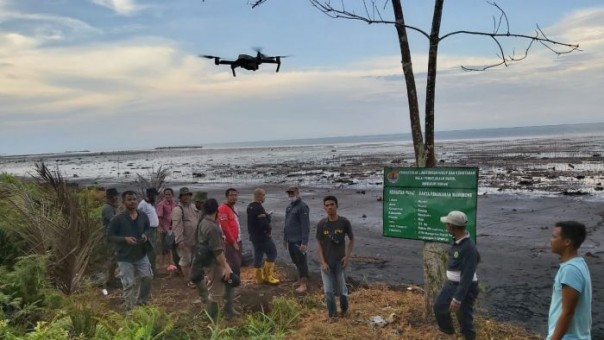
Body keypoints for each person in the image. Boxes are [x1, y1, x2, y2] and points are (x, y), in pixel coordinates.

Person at [434, 210, 480, 340]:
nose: (446, 226)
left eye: (447, 224)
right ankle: (449, 334)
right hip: (451, 285)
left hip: (466, 287)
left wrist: (458, 298)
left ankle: (469, 337)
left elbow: (467, 276)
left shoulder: (469, 248)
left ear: (452, 227)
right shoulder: (457, 241)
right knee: (439, 307)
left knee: (464, 318)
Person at [107, 190, 153, 312]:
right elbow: (109, 236)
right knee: (128, 284)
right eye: (129, 199)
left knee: (148, 278)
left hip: (141, 254)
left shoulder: (143, 215)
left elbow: (148, 229)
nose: (132, 202)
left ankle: (142, 303)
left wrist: (145, 235)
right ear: (124, 202)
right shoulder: (117, 219)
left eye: (134, 199)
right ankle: (130, 310)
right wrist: (124, 239)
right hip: (124, 257)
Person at [547, 221, 592, 340]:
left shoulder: (570, 270)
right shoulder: (578, 264)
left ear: (567, 242)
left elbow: (568, 312)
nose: (550, 240)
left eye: (554, 237)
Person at [198, 198, 237, 319]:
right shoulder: (211, 227)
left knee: (231, 282)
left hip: (212, 260)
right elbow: (217, 251)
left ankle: (229, 310)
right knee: (215, 292)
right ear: (216, 210)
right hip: (214, 262)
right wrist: (225, 267)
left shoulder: (204, 222)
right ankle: (212, 319)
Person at [316, 195, 354, 319]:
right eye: (327, 205)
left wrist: (347, 257)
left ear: (337, 206)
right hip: (326, 263)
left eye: (332, 204)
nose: (330, 207)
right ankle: (332, 315)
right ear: (324, 208)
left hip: (340, 262)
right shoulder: (322, 224)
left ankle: (344, 310)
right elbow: (319, 243)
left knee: (342, 291)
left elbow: (352, 239)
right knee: (328, 291)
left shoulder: (344, 222)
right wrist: (322, 262)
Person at [247, 188, 279, 285]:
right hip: (262, 236)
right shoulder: (259, 207)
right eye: (264, 195)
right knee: (272, 253)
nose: (265, 197)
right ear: (260, 196)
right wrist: (268, 223)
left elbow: (254, 221)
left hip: (254, 236)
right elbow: (263, 224)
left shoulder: (250, 206)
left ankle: (259, 278)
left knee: (258, 253)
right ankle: (268, 276)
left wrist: (265, 216)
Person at [284, 186, 310, 293]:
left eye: (292, 193)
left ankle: (304, 284)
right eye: (289, 193)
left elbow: (305, 225)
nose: (291, 195)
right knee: (295, 260)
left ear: (298, 193)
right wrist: (285, 238)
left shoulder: (302, 207)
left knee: (302, 261)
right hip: (290, 239)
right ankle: (300, 279)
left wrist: (304, 242)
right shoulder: (289, 207)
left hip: (299, 240)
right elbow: (286, 223)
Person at [172, 187, 198, 287]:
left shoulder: (193, 206)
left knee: (194, 260)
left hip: (195, 239)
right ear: (181, 197)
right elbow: (177, 226)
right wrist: (179, 240)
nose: (186, 197)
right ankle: (188, 280)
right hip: (184, 240)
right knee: (185, 260)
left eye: (188, 195)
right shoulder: (177, 209)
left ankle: (194, 278)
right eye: (184, 195)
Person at [218, 188, 242, 278]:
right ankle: (232, 283)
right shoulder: (222, 208)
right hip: (228, 242)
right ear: (227, 196)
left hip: (238, 239)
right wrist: (233, 241)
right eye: (231, 195)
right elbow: (225, 227)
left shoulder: (234, 208)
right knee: (234, 264)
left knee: (238, 262)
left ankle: (234, 282)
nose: (234, 197)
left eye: (235, 195)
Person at [138, 187, 159, 275]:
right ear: (149, 195)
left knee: (153, 250)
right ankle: (151, 271)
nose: (155, 197)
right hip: (148, 230)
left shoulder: (150, 204)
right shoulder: (143, 204)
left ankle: (152, 270)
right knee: (151, 251)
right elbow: (139, 217)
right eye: (154, 195)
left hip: (153, 230)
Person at [101, 187, 120, 288]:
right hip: (111, 237)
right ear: (111, 197)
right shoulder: (108, 208)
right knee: (112, 258)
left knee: (114, 258)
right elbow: (113, 221)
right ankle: (110, 280)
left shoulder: (110, 207)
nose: (117, 198)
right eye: (115, 196)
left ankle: (112, 278)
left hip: (113, 236)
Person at [156, 188, 177, 270]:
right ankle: (162, 265)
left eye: (169, 194)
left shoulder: (174, 204)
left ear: (172, 195)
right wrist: (164, 228)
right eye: (166, 194)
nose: (167, 196)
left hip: (173, 229)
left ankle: (171, 264)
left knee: (172, 247)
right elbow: (159, 217)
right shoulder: (161, 204)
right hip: (164, 229)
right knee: (164, 247)